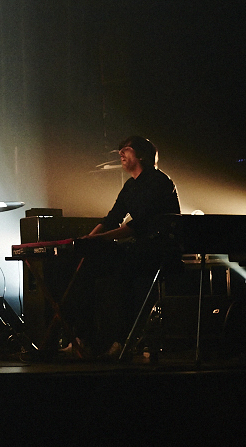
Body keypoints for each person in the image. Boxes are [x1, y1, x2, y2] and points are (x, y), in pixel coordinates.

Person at [73, 135, 181, 357]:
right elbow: (113, 217)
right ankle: (83, 340)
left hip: (159, 251)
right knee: (82, 269)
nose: (121, 154)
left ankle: (122, 341)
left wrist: (99, 239)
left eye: (126, 149)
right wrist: (88, 240)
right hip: (139, 248)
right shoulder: (130, 186)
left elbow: (139, 225)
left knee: (122, 274)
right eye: (120, 150)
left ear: (141, 154)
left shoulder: (159, 182)